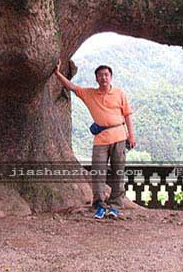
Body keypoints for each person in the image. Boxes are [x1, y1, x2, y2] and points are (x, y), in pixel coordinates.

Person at [54, 60, 135, 219]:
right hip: (100, 140)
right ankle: (99, 205)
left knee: (118, 172)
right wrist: (57, 73)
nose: (104, 78)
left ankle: (115, 206)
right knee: (98, 173)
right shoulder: (90, 94)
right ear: (96, 79)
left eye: (106, 75)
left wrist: (131, 135)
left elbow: (127, 115)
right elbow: (72, 87)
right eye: (100, 75)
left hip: (119, 136)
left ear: (111, 77)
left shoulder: (119, 94)